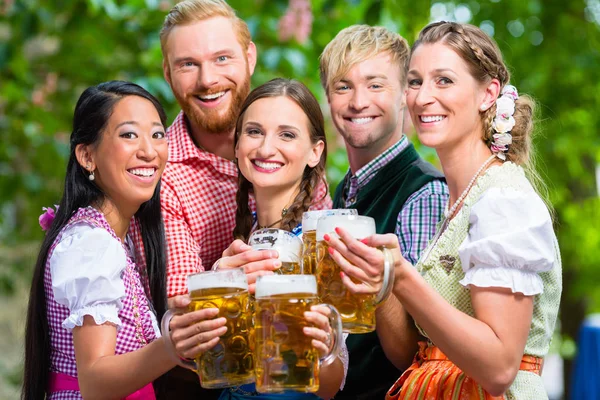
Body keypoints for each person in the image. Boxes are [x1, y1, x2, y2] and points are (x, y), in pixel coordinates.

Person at [326, 21, 562, 399]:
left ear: (488, 94)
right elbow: (414, 355)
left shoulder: (503, 201)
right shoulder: (460, 201)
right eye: (416, 82)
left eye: (444, 81)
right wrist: (384, 286)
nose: (422, 98)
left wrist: (403, 278)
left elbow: (500, 368)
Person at [21, 81, 219, 399]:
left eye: (157, 134)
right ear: (87, 155)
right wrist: (171, 345)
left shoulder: (113, 238)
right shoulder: (92, 244)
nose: (149, 151)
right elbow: (95, 382)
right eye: (128, 134)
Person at [318, 25, 449, 398]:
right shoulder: (344, 192)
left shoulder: (423, 194)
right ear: (329, 98)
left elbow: (420, 350)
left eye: (375, 85)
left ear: (405, 96)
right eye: (343, 87)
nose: (358, 101)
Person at [205, 78, 344, 400]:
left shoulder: (321, 244)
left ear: (315, 151)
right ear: (237, 144)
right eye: (254, 132)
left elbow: (331, 385)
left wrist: (323, 347)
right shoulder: (242, 243)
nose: (266, 148)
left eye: (287, 134)